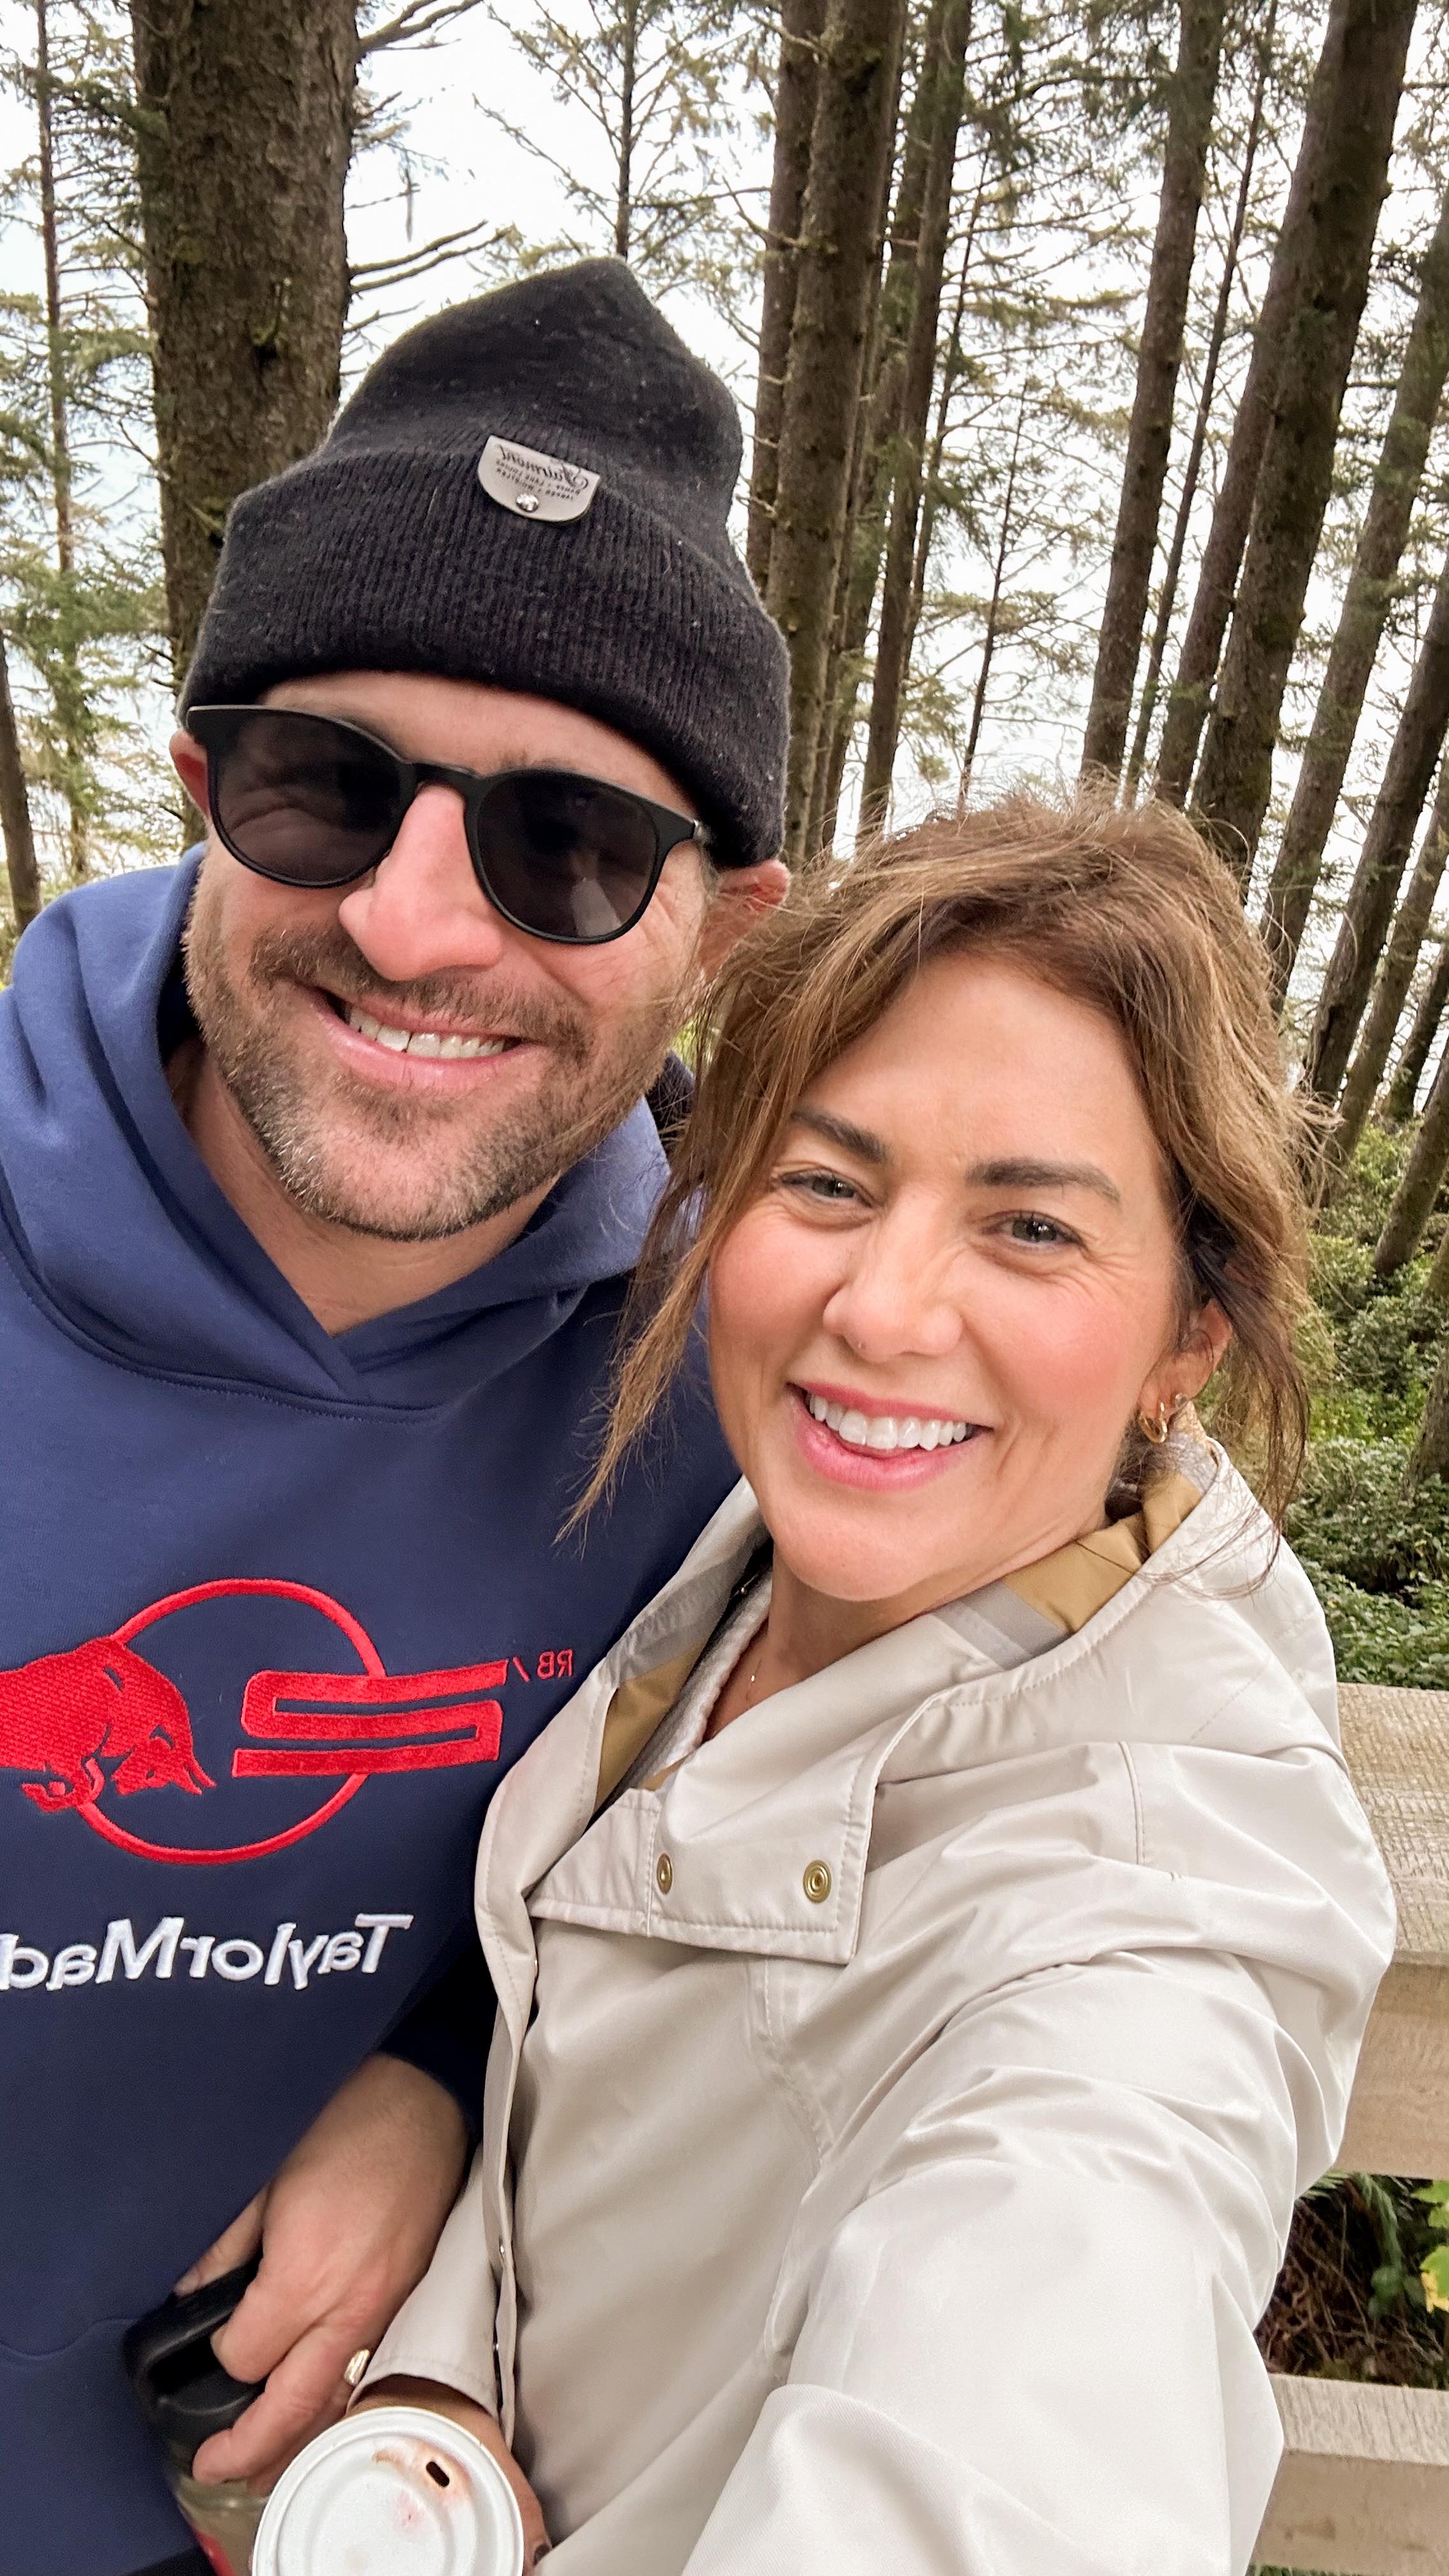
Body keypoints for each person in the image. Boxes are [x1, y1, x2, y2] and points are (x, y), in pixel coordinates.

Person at [358, 791, 1395, 2575]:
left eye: (1033, 1228)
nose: (884, 1310)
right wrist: (442, 2324)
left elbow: (1042, 2365)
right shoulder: (756, 1544)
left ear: (1190, 1335)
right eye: (828, 1183)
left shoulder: (1139, 1931)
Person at [0, 258, 789, 2576]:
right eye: (326, 788)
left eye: (570, 844)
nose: (423, 926)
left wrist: (447, 2077)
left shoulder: (760, 1385)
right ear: (202, 795)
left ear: (723, 926)